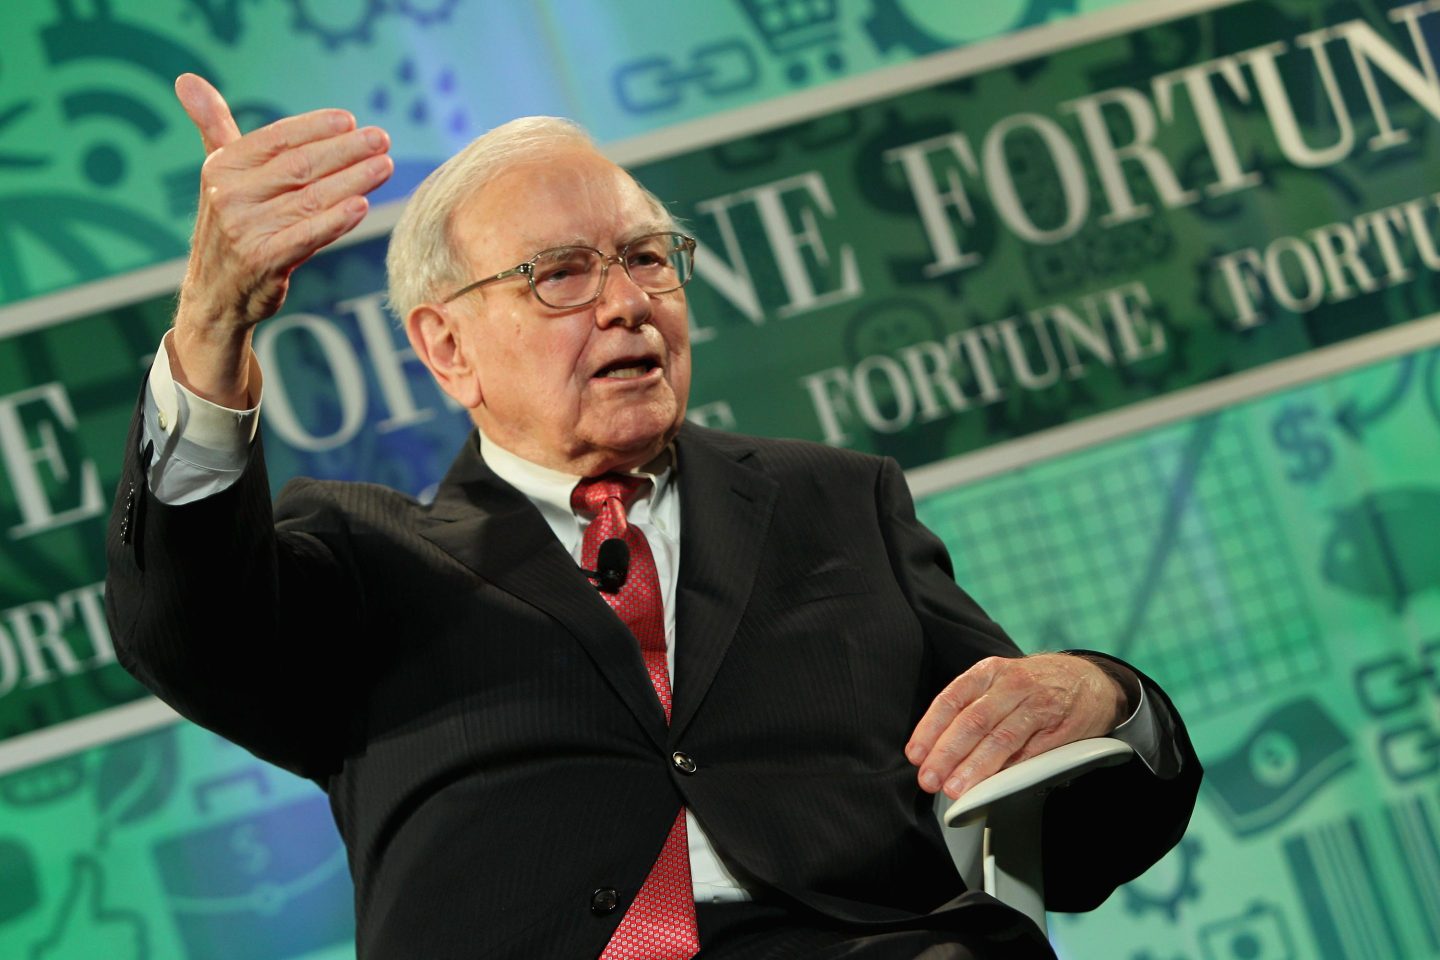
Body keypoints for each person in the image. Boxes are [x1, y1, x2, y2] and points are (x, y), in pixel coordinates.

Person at [105, 74, 1201, 959]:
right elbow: (183, 629)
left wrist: (1110, 701)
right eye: (561, 276)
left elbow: (1060, 802)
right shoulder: (363, 558)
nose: (628, 301)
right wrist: (211, 323)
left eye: (645, 259)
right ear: (448, 349)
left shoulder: (834, 500)